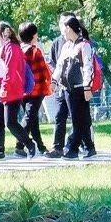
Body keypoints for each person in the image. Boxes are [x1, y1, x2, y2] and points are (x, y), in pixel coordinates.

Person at [51, 15, 96, 160]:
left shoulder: (84, 45)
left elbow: (88, 68)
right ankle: (89, 147)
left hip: (79, 89)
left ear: (69, 28)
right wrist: (54, 81)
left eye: (64, 29)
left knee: (78, 120)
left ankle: (73, 148)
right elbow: (59, 66)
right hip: (67, 89)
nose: (62, 32)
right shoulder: (66, 46)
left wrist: (87, 88)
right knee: (81, 119)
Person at [0, 23, 34, 157]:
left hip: (12, 90)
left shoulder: (12, 48)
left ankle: (29, 144)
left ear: (3, 34)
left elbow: (10, 70)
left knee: (10, 122)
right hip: (1, 89)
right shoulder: (3, 49)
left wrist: (4, 87)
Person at [19, 23, 52, 156]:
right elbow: (43, 70)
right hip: (37, 89)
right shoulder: (34, 51)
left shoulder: (18, 50)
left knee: (33, 119)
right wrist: (50, 83)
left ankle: (41, 146)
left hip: (22, 90)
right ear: (33, 35)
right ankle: (20, 144)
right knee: (29, 118)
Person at [46, 13, 74, 157]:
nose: (64, 27)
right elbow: (51, 62)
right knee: (59, 115)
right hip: (60, 86)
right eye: (62, 24)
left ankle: (78, 144)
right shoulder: (57, 42)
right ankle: (58, 147)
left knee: (78, 117)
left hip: (75, 87)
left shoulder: (80, 42)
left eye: (67, 23)